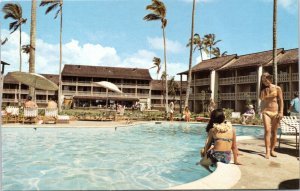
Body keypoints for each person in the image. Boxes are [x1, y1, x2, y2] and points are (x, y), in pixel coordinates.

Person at [259, 72, 284, 159]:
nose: (264, 82)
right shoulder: (262, 90)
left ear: (270, 79)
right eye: (262, 81)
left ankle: (272, 150)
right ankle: (267, 151)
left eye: (265, 80)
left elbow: (281, 101)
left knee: (274, 132)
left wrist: (281, 112)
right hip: (266, 112)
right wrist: (261, 110)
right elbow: (262, 101)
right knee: (267, 130)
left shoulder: (277, 88)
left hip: (275, 112)